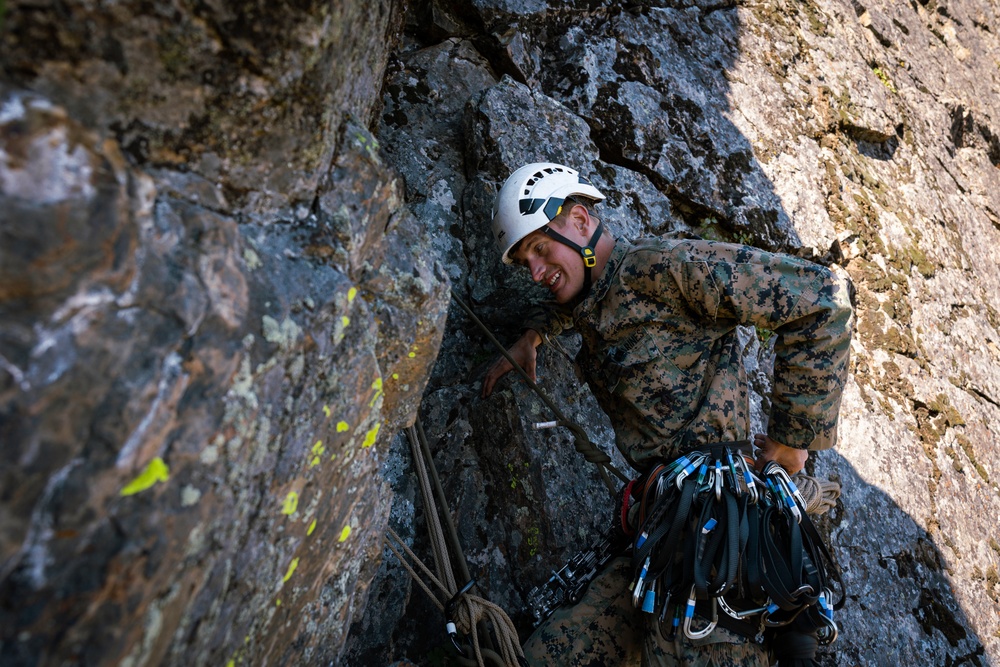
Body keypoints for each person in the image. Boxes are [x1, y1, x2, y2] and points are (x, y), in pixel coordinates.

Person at [480, 162, 854, 666]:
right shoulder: (598, 295)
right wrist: (533, 335)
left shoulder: (664, 266)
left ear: (581, 220)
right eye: (527, 262)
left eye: (541, 250)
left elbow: (821, 299)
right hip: (661, 537)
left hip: (719, 541)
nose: (536, 272)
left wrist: (791, 444)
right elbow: (591, 304)